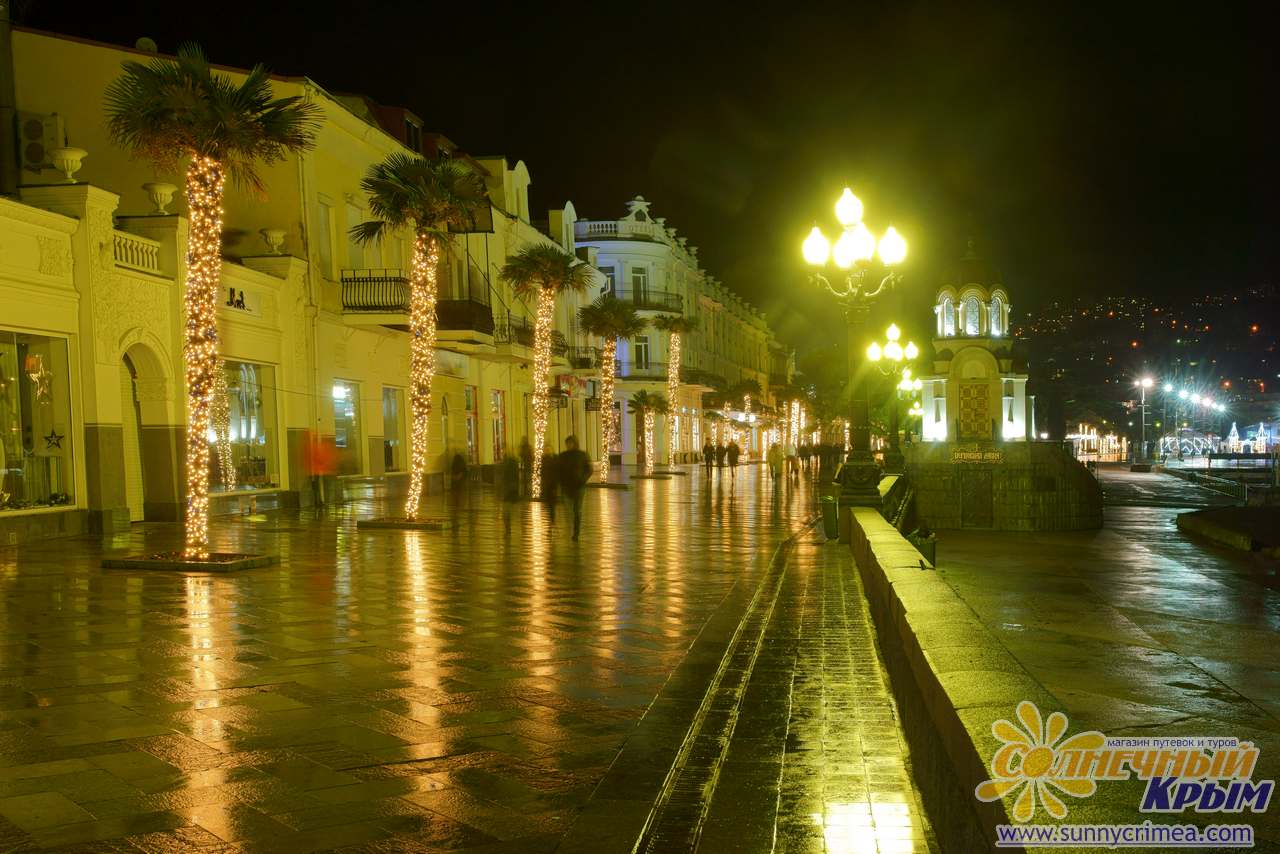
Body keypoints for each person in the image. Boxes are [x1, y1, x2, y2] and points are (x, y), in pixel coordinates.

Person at [557, 436, 592, 540]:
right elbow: (558, 470)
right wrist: (561, 482)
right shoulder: (563, 455)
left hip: (579, 487)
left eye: (571, 443)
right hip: (566, 487)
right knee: (568, 511)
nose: (569, 445)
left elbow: (589, 469)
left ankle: (576, 532)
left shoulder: (582, 455)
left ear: (575, 443)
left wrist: (583, 479)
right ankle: (570, 529)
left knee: (577, 510)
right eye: (567, 443)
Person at [499, 454, 520, 534]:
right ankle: (508, 528)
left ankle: (508, 528)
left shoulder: (508, 466)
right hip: (510, 491)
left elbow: (505, 479)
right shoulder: (513, 466)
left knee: (506, 511)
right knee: (507, 511)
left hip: (508, 492)